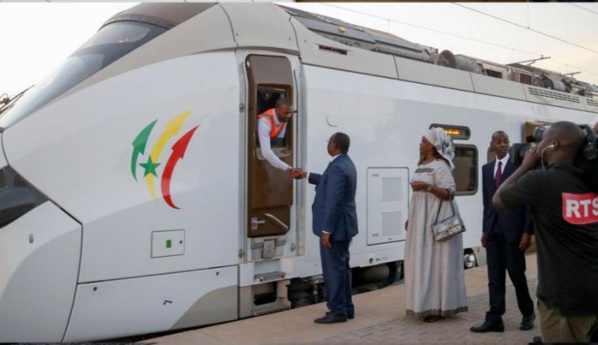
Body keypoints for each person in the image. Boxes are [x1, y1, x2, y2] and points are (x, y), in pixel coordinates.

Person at [493, 121, 598, 343]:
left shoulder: (541, 181)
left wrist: (526, 165)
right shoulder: (591, 180)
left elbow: (499, 199)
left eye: (542, 141)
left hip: (563, 300)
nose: (537, 147)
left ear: (554, 145)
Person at [470, 131, 535, 333]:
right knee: (494, 277)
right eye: (499, 142)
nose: (503, 145)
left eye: (506, 141)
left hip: (514, 231)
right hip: (493, 231)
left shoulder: (519, 168)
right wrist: (484, 230)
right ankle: (495, 318)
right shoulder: (486, 169)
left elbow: (527, 202)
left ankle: (528, 312)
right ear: (492, 145)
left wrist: (527, 231)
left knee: (517, 274)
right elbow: (487, 203)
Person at [291, 133, 358, 324]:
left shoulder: (337, 167)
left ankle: (337, 311)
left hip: (335, 229)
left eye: (328, 142)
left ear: (335, 146)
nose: (327, 144)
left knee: (333, 270)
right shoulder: (345, 163)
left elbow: (333, 201)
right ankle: (346, 307)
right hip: (345, 226)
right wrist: (306, 175)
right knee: (343, 268)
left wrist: (326, 230)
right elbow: (328, 183)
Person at [404, 127, 468, 322]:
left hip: (436, 218)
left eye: (424, 142)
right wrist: (411, 216)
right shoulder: (422, 164)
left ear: (433, 146)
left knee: (436, 262)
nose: (420, 144)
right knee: (421, 261)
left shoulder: (441, 166)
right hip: (420, 220)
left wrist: (427, 187)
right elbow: (417, 196)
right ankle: (422, 304)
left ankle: (438, 307)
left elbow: (450, 193)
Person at [257, 97, 294, 172]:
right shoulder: (263, 122)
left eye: (291, 113)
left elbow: (279, 144)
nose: (289, 116)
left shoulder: (283, 119)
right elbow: (266, 153)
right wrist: (288, 168)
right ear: (277, 110)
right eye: (286, 113)